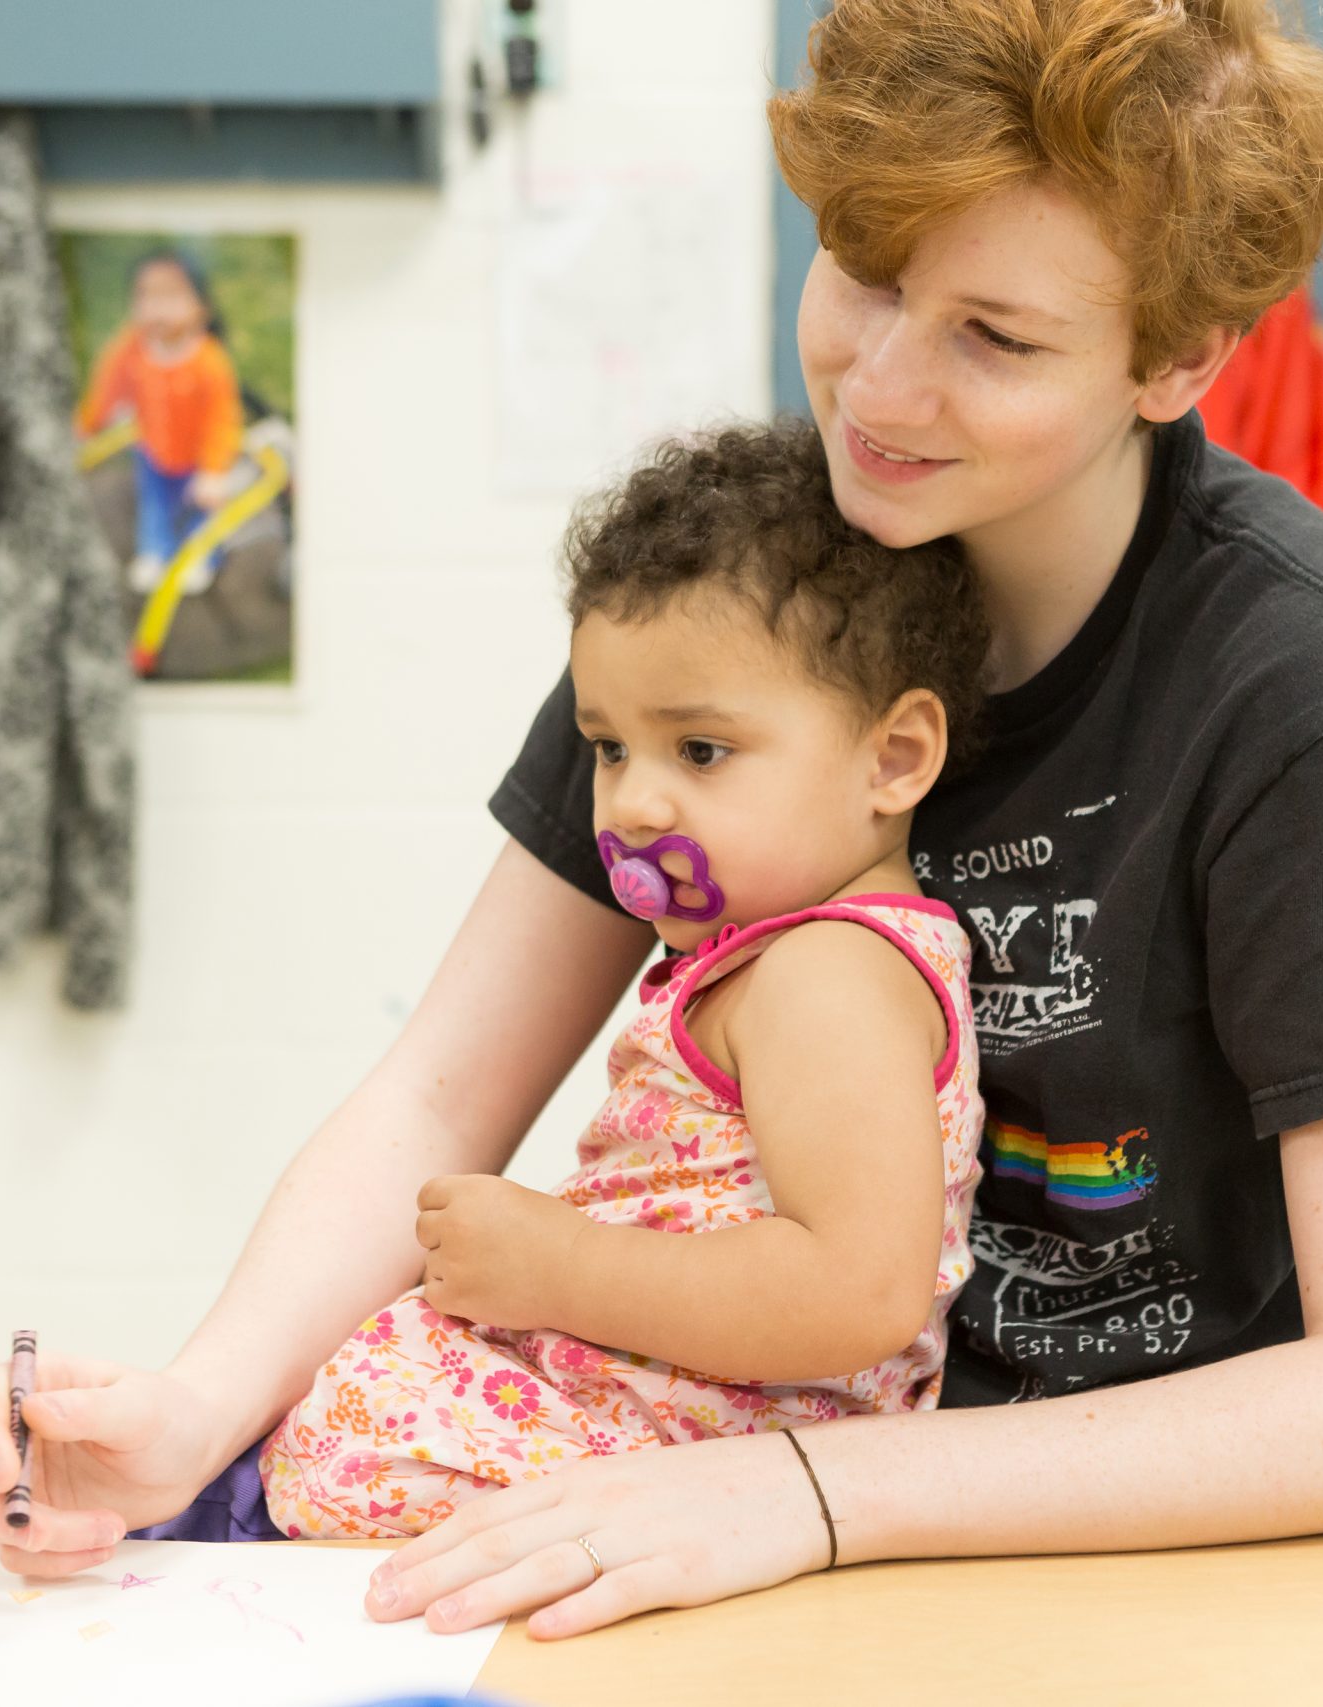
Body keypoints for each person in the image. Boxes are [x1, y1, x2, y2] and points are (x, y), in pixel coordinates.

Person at [0, 0, 1323, 1642]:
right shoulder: (753, 591)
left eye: (997, 337)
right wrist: (191, 1410)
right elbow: (439, 1088)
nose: (884, 387)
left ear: (1179, 357)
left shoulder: (1301, 691)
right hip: (739, 1493)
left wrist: (812, 1496)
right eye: (864, 271)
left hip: (1115, 1561)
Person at [261, 418, 989, 1539]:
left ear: (893, 760)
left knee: (356, 1435)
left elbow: (860, 1291)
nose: (634, 804)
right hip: (682, 1396)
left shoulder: (828, 975)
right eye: (608, 748)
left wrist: (559, 1266)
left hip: (748, 1443)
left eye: (700, 752)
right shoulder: (761, 953)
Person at [72, 249, 246, 594]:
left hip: (197, 458)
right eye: (146, 296)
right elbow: (107, 389)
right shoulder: (131, 348)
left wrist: (214, 470)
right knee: (154, 507)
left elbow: (222, 419)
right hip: (153, 450)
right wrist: (86, 426)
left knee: (197, 512)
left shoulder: (208, 361)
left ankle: (201, 557)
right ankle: (154, 552)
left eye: (170, 296)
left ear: (201, 306)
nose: (157, 308)